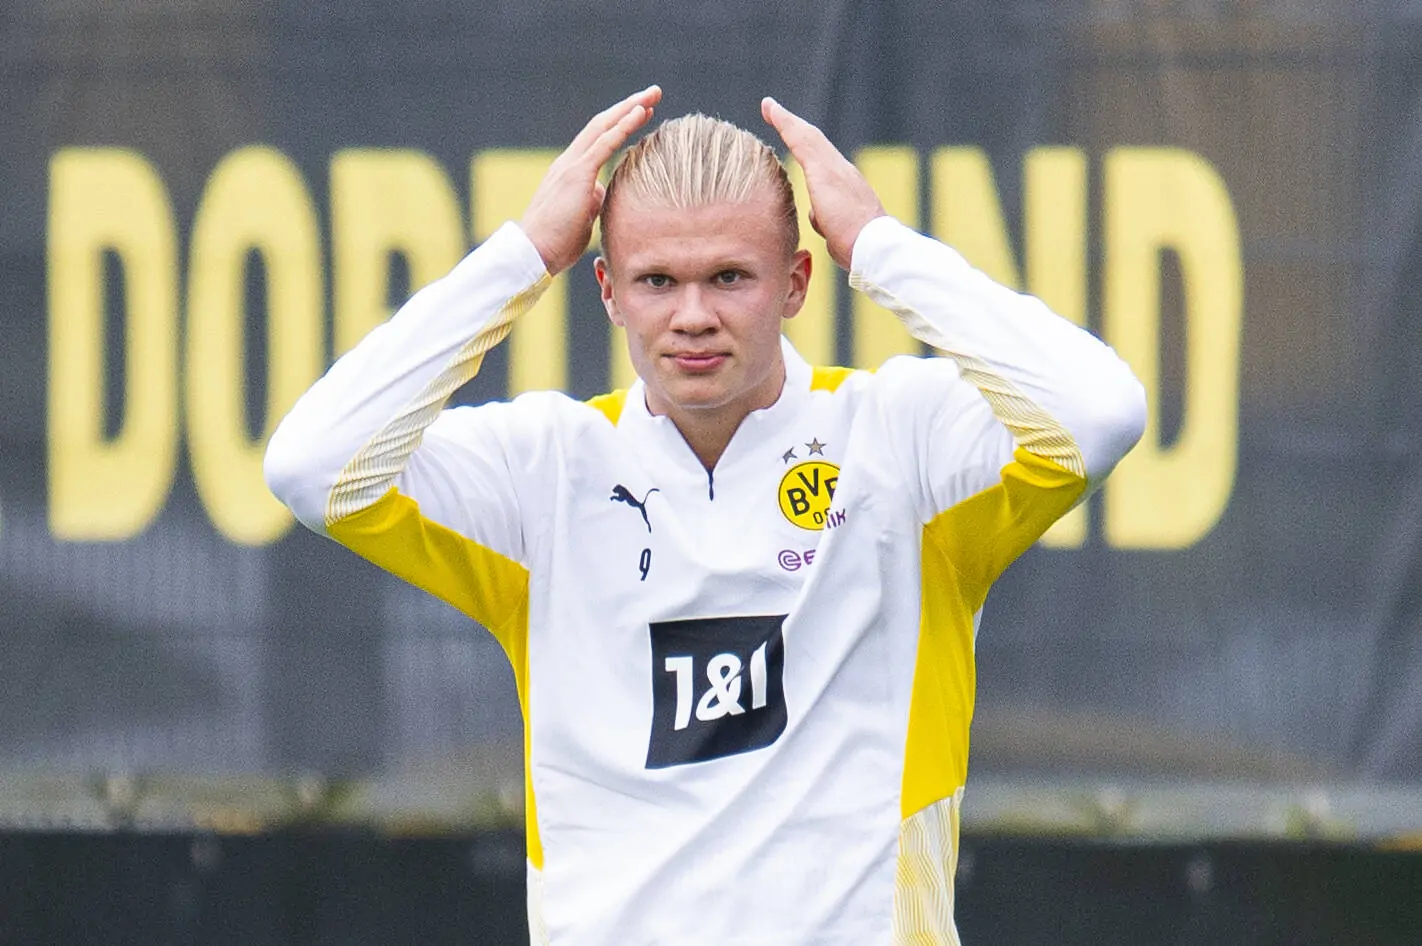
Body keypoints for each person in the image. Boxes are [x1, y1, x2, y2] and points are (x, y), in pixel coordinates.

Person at [265, 84, 1146, 945]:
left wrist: (880, 246)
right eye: (657, 280)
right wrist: (522, 257)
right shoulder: (544, 470)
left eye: (730, 278)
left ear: (796, 282)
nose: (693, 316)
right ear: (607, 290)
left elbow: (1098, 414)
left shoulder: (901, 443)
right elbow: (312, 467)